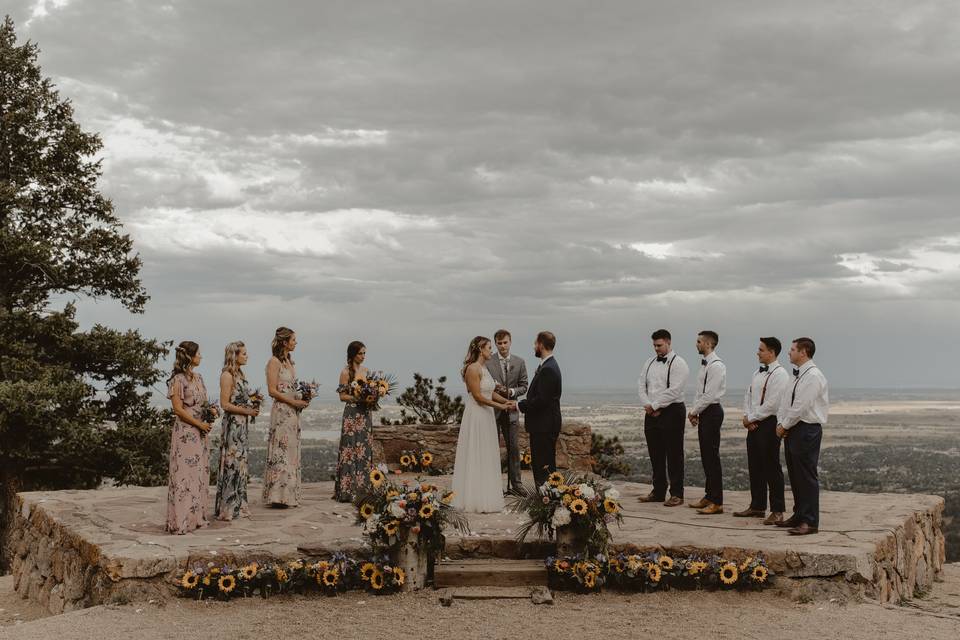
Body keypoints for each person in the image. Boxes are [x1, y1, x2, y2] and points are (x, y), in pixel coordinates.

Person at [452, 336, 514, 513]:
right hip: (477, 416)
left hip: (486, 416)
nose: (492, 350)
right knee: (476, 453)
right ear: (481, 349)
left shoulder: (484, 368)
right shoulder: (472, 369)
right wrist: (500, 406)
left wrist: (508, 402)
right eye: (489, 347)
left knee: (486, 454)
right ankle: (473, 498)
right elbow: (479, 397)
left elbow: (491, 392)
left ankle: (486, 496)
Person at [775, 337, 829, 536]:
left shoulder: (813, 376)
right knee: (795, 475)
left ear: (803, 352)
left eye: (792, 349)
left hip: (807, 429)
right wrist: (782, 422)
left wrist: (784, 425)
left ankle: (810, 521)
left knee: (806, 476)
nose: (789, 352)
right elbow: (786, 402)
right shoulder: (796, 375)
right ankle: (799, 515)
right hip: (794, 428)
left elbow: (801, 406)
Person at [735, 337, 789, 525]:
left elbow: (773, 404)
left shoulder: (780, 374)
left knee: (771, 468)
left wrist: (752, 418)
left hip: (769, 424)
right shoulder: (756, 373)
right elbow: (748, 396)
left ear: (772, 352)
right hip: (754, 423)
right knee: (755, 466)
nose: (757, 352)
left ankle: (778, 510)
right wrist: (746, 417)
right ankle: (757, 506)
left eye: (761, 349)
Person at [637, 329, 690, 507]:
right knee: (655, 453)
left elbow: (674, 390)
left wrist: (655, 405)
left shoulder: (679, 363)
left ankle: (677, 494)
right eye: (654, 345)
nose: (656, 349)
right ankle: (658, 491)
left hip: (672, 411)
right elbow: (641, 384)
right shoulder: (649, 362)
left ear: (668, 342)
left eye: (659, 345)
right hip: (651, 412)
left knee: (674, 454)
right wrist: (647, 404)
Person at [166, 341, 212, 534]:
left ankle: (196, 517)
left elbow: (203, 403)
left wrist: (209, 416)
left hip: (200, 432)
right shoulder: (178, 380)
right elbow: (177, 409)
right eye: (198, 353)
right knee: (185, 475)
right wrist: (198, 423)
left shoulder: (199, 378)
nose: (201, 356)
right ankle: (182, 520)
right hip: (186, 433)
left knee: (199, 474)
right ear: (190, 357)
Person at [263, 327, 309, 508]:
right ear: (284, 342)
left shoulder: (290, 362)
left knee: (290, 452)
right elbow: (272, 390)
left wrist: (302, 399)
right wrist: (292, 402)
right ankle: (277, 495)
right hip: (282, 411)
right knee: (280, 451)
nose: (296, 342)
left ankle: (288, 494)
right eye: (293, 340)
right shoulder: (274, 362)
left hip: (292, 412)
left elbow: (290, 388)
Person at [214, 341, 260, 521]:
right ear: (235, 356)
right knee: (232, 463)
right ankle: (228, 507)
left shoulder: (240, 373)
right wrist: (247, 410)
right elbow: (224, 404)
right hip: (233, 425)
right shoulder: (227, 375)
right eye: (244, 353)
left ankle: (239, 504)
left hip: (242, 425)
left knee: (240, 464)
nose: (247, 356)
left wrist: (252, 405)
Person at [485, 329, 528, 494]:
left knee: (514, 448)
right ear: (495, 343)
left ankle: (516, 484)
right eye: (499, 343)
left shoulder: (520, 362)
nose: (503, 346)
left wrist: (511, 393)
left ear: (510, 342)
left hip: (511, 411)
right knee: (491, 449)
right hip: (492, 410)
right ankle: (493, 486)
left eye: (505, 342)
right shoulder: (488, 362)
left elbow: (524, 386)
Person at [688, 330, 726, 514]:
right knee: (706, 457)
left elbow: (710, 395)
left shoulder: (717, 366)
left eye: (699, 341)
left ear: (709, 344)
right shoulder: (705, 365)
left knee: (712, 457)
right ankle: (709, 495)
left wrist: (694, 411)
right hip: (705, 411)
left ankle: (717, 501)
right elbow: (699, 392)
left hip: (712, 411)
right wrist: (696, 411)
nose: (696, 344)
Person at [518, 331, 562, 487]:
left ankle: (547, 500)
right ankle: (546, 499)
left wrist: (518, 405)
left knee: (543, 466)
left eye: (535, 343)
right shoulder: (547, 366)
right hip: (543, 424)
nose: (534, 346)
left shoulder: (548, 369)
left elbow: (542, 400)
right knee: (543, 464)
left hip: (544, 425)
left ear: (541, 345)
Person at [334, 341, 375, 503]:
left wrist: (371, 398)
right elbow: (342, 396)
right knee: (350, 450)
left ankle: (363, 488)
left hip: (365, 414)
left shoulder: (367, 371)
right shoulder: (345, 372)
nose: (363, 357)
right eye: (360, 353)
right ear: (352, 354)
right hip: (352, 414)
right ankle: (347, 490)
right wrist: (358, 397)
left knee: (364, 449)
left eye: (365, 353)